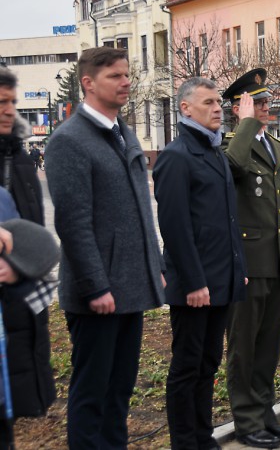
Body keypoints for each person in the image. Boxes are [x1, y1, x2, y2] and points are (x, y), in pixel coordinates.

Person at [45, 47, 166, 448]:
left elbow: (140, 213)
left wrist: (156, 264)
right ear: (88, 83)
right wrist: (96, 287)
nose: (126, 81)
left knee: (120, 391)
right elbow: (74, 224)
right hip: (98, 294)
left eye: (127, 74)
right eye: (115, 75)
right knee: (92, 393)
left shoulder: (123, 132)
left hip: (130, 286)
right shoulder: (69, 141)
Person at [154, 77, 247, 449]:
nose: (217, 108)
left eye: (218, 103)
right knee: (186, 366)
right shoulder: (176, 156)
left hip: (221, 280)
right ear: (185, 108)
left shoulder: (214, 152)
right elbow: (175, 228)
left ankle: (202, 435)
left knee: (208, 364)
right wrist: (193, 282)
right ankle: (184, 441)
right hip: (195, 285)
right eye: (207, 102)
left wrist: (237, 272)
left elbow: (227, 220)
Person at [221, 70, 280, 448]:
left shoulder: (278, 148)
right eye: (258, 103)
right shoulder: (230, 146)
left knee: (269, 344)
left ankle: (265, 411)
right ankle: (246, 420)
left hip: (278, 260)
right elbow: (232, 171)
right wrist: (245, 125)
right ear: (239, 108)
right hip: (249, 264)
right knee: (244, 347)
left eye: (268, 103)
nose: (267, 109)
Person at [0, 68, 55, 441]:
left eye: (12, 103)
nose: (9, 110)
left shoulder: (17, 156)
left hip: (16, 308)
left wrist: (23, 267)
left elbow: (33, 235)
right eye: (1, 102)